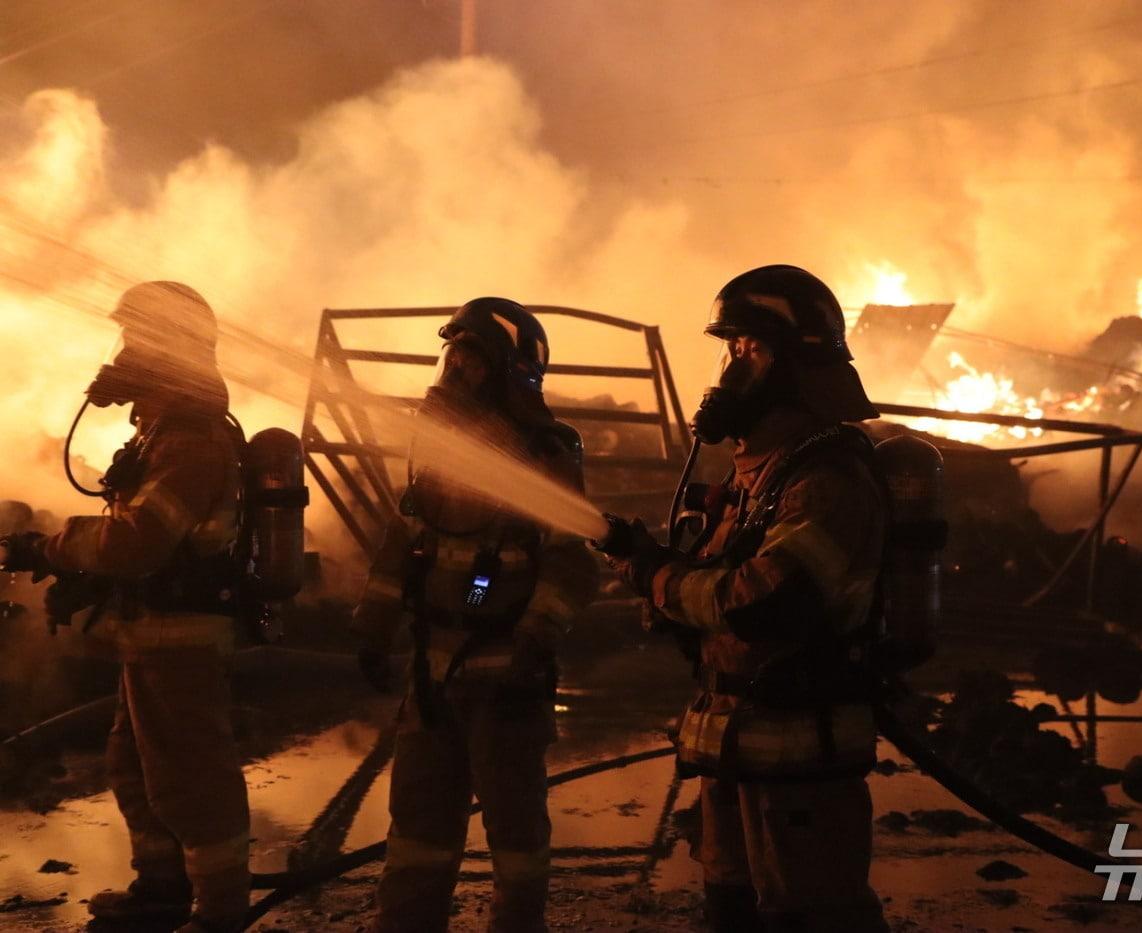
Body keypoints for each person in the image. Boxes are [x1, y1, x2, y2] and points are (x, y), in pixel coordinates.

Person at [603, 265, 890, 932]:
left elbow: (762, 603)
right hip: (737, 747)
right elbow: (714, 588)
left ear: (796, 362)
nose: (729, 369)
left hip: (802, 763)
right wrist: (654, 565)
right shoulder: (758, 474)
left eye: (747, 349)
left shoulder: (825, 477)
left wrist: (658, 579)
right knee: (729, 912)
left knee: (811, 917)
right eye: (727, 348)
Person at [0, 281, 250, 932]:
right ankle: (162, 890)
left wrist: (52, 549)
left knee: (191, 777)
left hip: (184, 641)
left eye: (140, 337)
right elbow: (138, 538)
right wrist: (82, 577)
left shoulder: (192, 441)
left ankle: (221, 913)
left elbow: (137, 542)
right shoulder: (160, 433)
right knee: (136, 766)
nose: (126, 349)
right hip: (152, 636)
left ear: (173, 347)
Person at [353, 297, 599, 933]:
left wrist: (534, 644)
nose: (454, 368)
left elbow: (572, 564)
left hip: (505, 678)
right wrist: (372, 631)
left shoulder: (543, 455)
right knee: (417, 827)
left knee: (514, 829)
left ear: (508, 373)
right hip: (432, 679)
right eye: (451, 353)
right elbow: (402, 543)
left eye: (470, 357)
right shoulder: (438, 450)